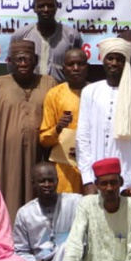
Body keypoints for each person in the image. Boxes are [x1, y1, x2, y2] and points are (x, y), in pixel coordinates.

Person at [0, 40, 57, 221]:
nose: (22, 64)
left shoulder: (49, 83)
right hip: (5, 161)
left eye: (27, 59)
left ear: (35, 60)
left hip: (39, 158)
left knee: (38, 205)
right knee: (7, 203)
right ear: (9, 62)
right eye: (17, 59)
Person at [76, 38, 131, 199]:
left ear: (126, 63)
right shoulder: (90, 91)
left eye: (119, 59)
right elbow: (82, 138)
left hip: (128, 179)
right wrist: (87, 180)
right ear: (103, 61)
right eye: (110, 58)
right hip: (97, 178)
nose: (114, 63)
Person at [14, 162, 82, 261]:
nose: (47, 185)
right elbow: (20, 250)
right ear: (33, 184)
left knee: (65, 248)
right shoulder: (25, 213)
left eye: (51, 180)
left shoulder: (75, 202)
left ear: (57, 181)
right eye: (42, 181)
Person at [39, 48, 88, 193]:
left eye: (80, 64)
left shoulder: (96, 93)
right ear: (63, 68)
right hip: (64, 169)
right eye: (71, 64)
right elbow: (44, 139)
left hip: (91, 168)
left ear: (87, 67)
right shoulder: (54, 95)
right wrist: (58, 128)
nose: (76, 68)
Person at [11, 0, 82, 81]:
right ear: (34, 8)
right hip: (30, 93)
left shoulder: (71, 36)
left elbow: (77, 68)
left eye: (50, 5)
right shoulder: (21, 36)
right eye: (41, 6)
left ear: (56, 6)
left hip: (60, 93)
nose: (46, 9)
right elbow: (11, 68)